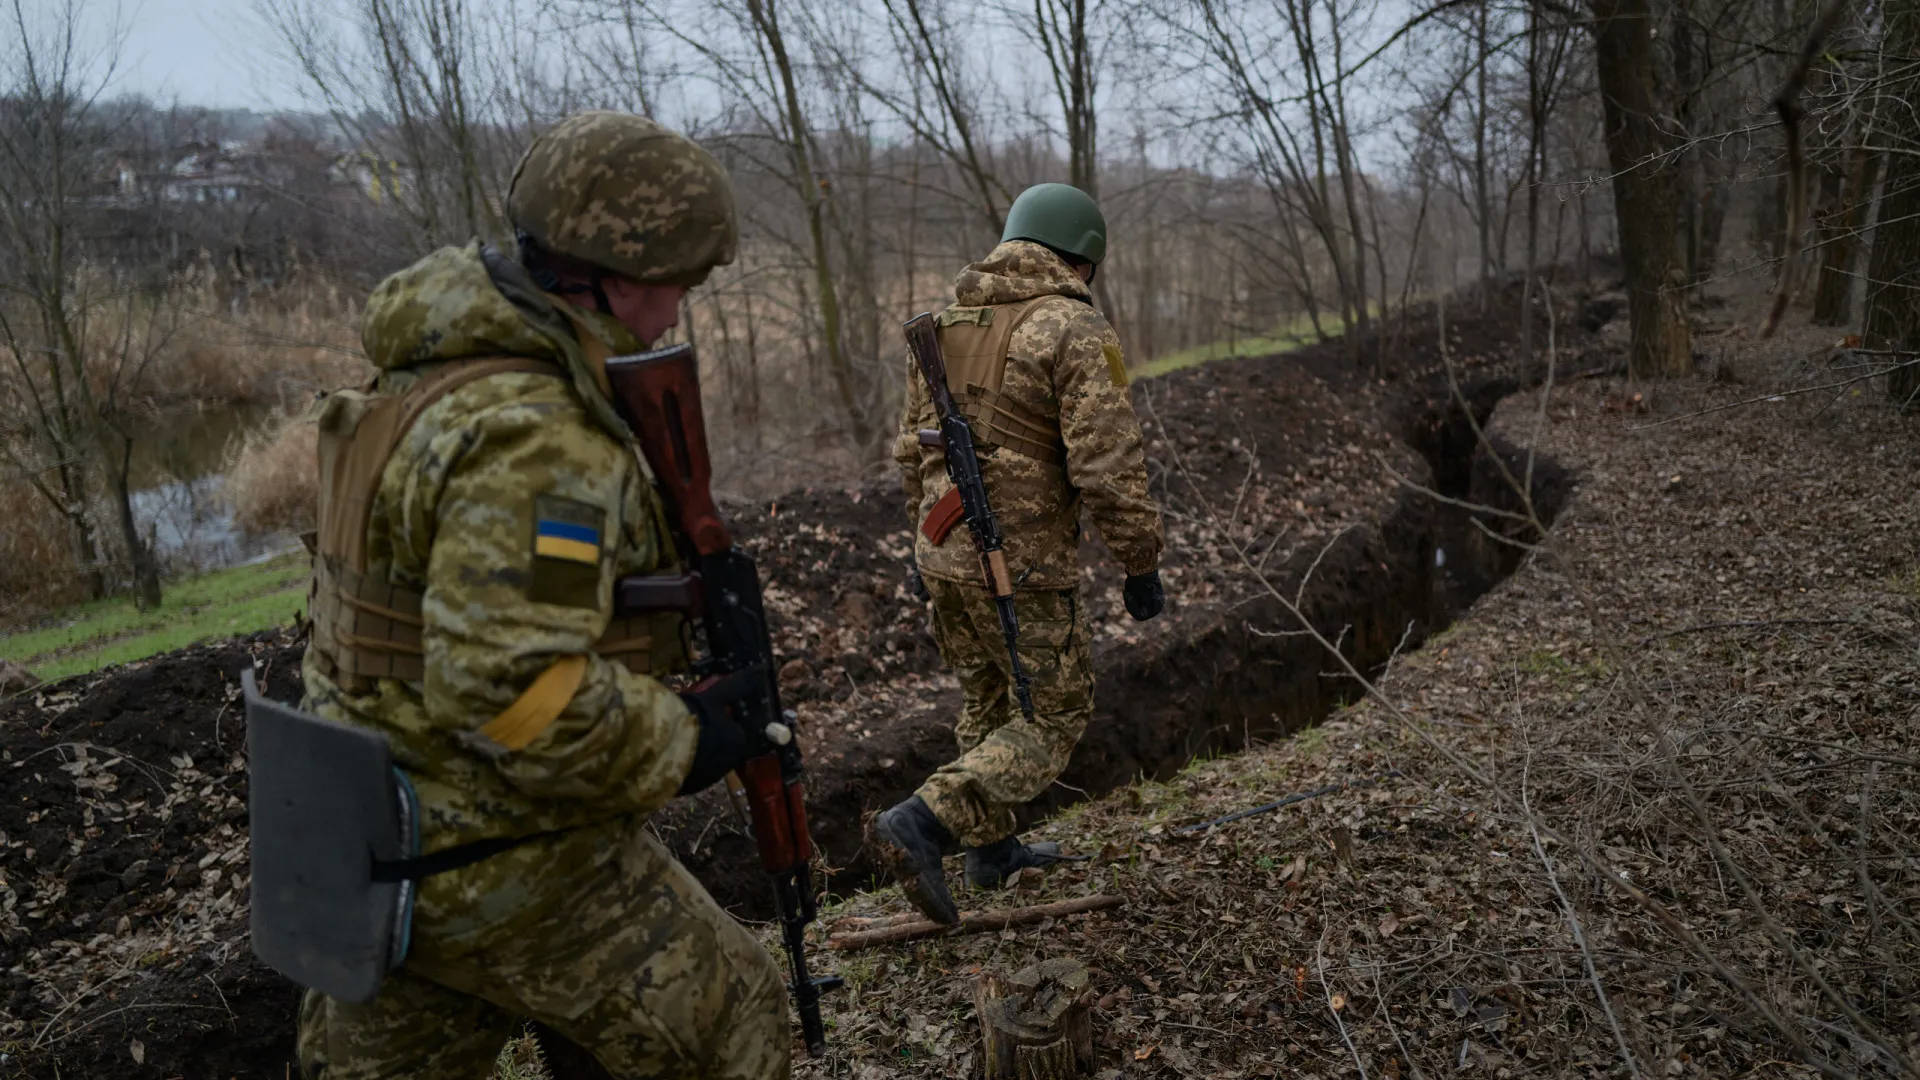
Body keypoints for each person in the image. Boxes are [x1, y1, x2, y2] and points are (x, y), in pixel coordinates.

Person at [294, 112, 787, 1079]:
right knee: (739, 1024)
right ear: (622, 273)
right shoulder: (537, 436)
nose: (682, 308)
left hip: (368, 840)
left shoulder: (428, 371)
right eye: (683, 281)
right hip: (494, 850)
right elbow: (509, 692)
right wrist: (688, 740)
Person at [872, 183, 1166, 924]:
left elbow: (911, 453)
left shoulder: (944, 323)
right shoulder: (1076, 328)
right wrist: (1140, 562)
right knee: (1053, 714)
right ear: (1084, 257)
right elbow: (1109, 463)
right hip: (1021, 565)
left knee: (991, 703)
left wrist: (924, 545)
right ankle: (927, 821)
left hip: (941, 551)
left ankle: (992, 853)